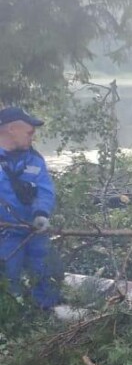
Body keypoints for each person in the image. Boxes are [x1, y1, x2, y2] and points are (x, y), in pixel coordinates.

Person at [0, 106, 59, 308]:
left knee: (45, 270)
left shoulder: (34, 159)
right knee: (8, 278)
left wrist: (41, 213)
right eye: (29, 132)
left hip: (34, 231)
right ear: (12, 129)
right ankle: (13, 320)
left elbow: (45, 190)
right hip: (5, 234)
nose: (32, 137)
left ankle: (46, 313)